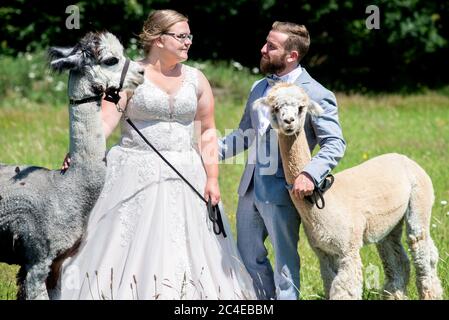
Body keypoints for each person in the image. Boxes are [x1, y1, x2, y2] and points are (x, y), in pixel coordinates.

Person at [55, 9, 256, 300]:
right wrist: (82, 148)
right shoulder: (127, 74)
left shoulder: (197, 79)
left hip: (187, 172)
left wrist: (212, 177)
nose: (188, 41)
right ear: (158, 39)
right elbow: (106, 120)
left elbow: (208, 131)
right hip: (133, 170)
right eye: (181, 36)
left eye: (189, 36)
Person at [219, 21, 346, 300]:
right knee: (248, 258)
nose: (263, 49)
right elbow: (244, 134)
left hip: (285, 191)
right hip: (249, 188)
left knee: (285, 264)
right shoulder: (258, 88)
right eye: (266, 43)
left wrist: (310, 175)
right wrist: (205, 154)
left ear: (292, 56)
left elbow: (335, 143)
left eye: (271, 46)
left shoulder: (316, 93)